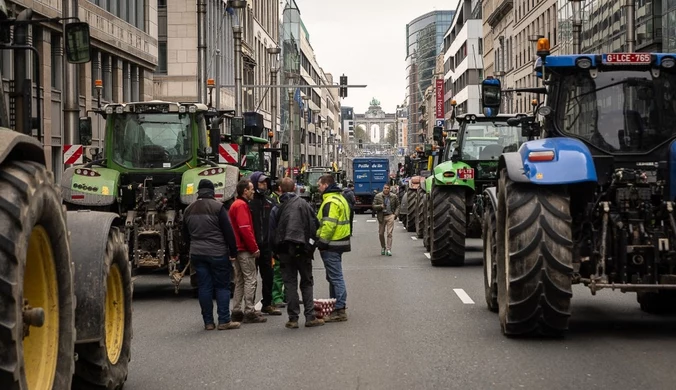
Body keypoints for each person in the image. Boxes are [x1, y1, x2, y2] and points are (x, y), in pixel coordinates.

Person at [183, 179, 240, 331]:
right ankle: (224, 321)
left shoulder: (188, 209)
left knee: (204, 287)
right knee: (222, 287)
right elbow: (228, 232)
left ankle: (208, 322)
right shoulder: (218, 207)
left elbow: (185, 235)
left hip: (197, 254)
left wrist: (192, 247)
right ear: (212, 192)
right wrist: (233, 251)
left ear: (198, 191)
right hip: (218, 253)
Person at [269, 178, 324, 329]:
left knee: (290, 283)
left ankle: (293, 318)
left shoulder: (277, 208)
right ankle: (310, 316)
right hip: (303, 249)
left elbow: (272, 233)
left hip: (284, 250)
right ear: (294, 188)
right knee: (306, 282)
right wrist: (311, 246)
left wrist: (275, 252)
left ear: (280, 189)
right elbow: (315, 225)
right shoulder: (304, 205)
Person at [228, 179, 267, 324]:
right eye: (251, 189)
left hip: (237, 248)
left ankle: (236, 310)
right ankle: (249, 311)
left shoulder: (235, 205)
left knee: (240, 280)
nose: (253, 191)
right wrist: (254, 248)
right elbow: (245, 229)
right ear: (245, 191)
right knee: (250, 279)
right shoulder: (242, 205)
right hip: (244, 249)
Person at [316, 174, 351, 323]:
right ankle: (335, 305)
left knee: (335, 277)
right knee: (333, 276)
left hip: (332, 243)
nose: (318, 188)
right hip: (341, 241)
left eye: (319, 185)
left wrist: (321, 242)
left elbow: (329, 225)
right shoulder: (340, 198)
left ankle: (340, 309)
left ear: (325, 185)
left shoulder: (330, 201)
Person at [249, 172, 282, 316]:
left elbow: (277, 223)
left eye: (265, 183)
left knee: (268, 275)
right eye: (261, 182)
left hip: (267, 246)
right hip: (251, 246)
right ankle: (249, 307)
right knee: (250, 278)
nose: (264, 185)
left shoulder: (270, 202)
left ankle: (267, 304)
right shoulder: (248, 203)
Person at [269, 180, 286, 307]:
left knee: (287, 272)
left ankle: (285, 295)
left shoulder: (278, 201)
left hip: (285, 241)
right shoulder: (273, 202)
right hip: (279, 242)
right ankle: (277, 297)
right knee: (278, 272)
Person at [373, 184, 400, 256]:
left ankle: (388, 249)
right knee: (381, 233)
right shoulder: (378, 196)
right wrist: (380, 206)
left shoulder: (393, 196)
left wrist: (395, 214)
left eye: (388, 188)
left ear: (389, 189)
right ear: (383, 189)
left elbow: (398, 205)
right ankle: (383, 247)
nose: (386, 189)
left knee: (389, 233)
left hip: (390, 215)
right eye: (385, 188)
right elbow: (373, 206)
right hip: (381, 216)